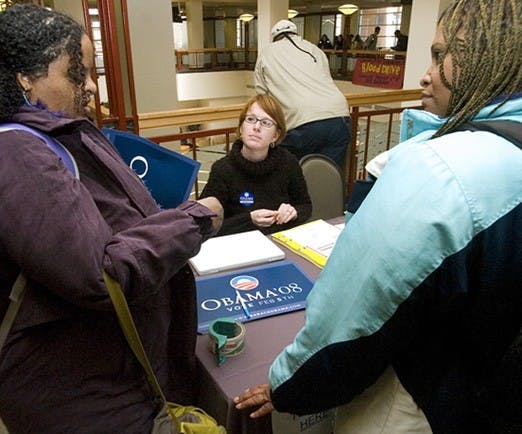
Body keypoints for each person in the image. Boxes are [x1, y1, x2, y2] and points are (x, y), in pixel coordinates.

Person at [235, 1, 521, 433]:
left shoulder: (439, 171)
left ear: (477, 54)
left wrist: (288, 385)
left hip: (422, 400)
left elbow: (354, 317)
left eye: (440, 54)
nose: (425, 74)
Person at [0, 4, 224, 434]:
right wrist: (195, 221)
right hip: (87, 399)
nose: (92, 89)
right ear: (26, 78)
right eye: (76, 73)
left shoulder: (55, 135)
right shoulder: (18, 153)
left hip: (114, 378)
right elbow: (99, 273)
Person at [199, 94, 311, 236]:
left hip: (280, 241)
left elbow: (305, 206)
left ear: (275, 136)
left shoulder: (288, 162)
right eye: (251, 119)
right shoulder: (222, 170)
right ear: (241, 128)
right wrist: (249, 220)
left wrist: (293, 213)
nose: (256, 127)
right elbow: (207, 225)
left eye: (266, 123)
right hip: (239, 245)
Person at [255, 19, 351, 171]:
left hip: (303, 122)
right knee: (329, 177)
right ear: (295, 33)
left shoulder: (267, 52)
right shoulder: (315, 50)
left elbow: (261, 94)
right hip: (339, 116)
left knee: (289, 173)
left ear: (275, 37)